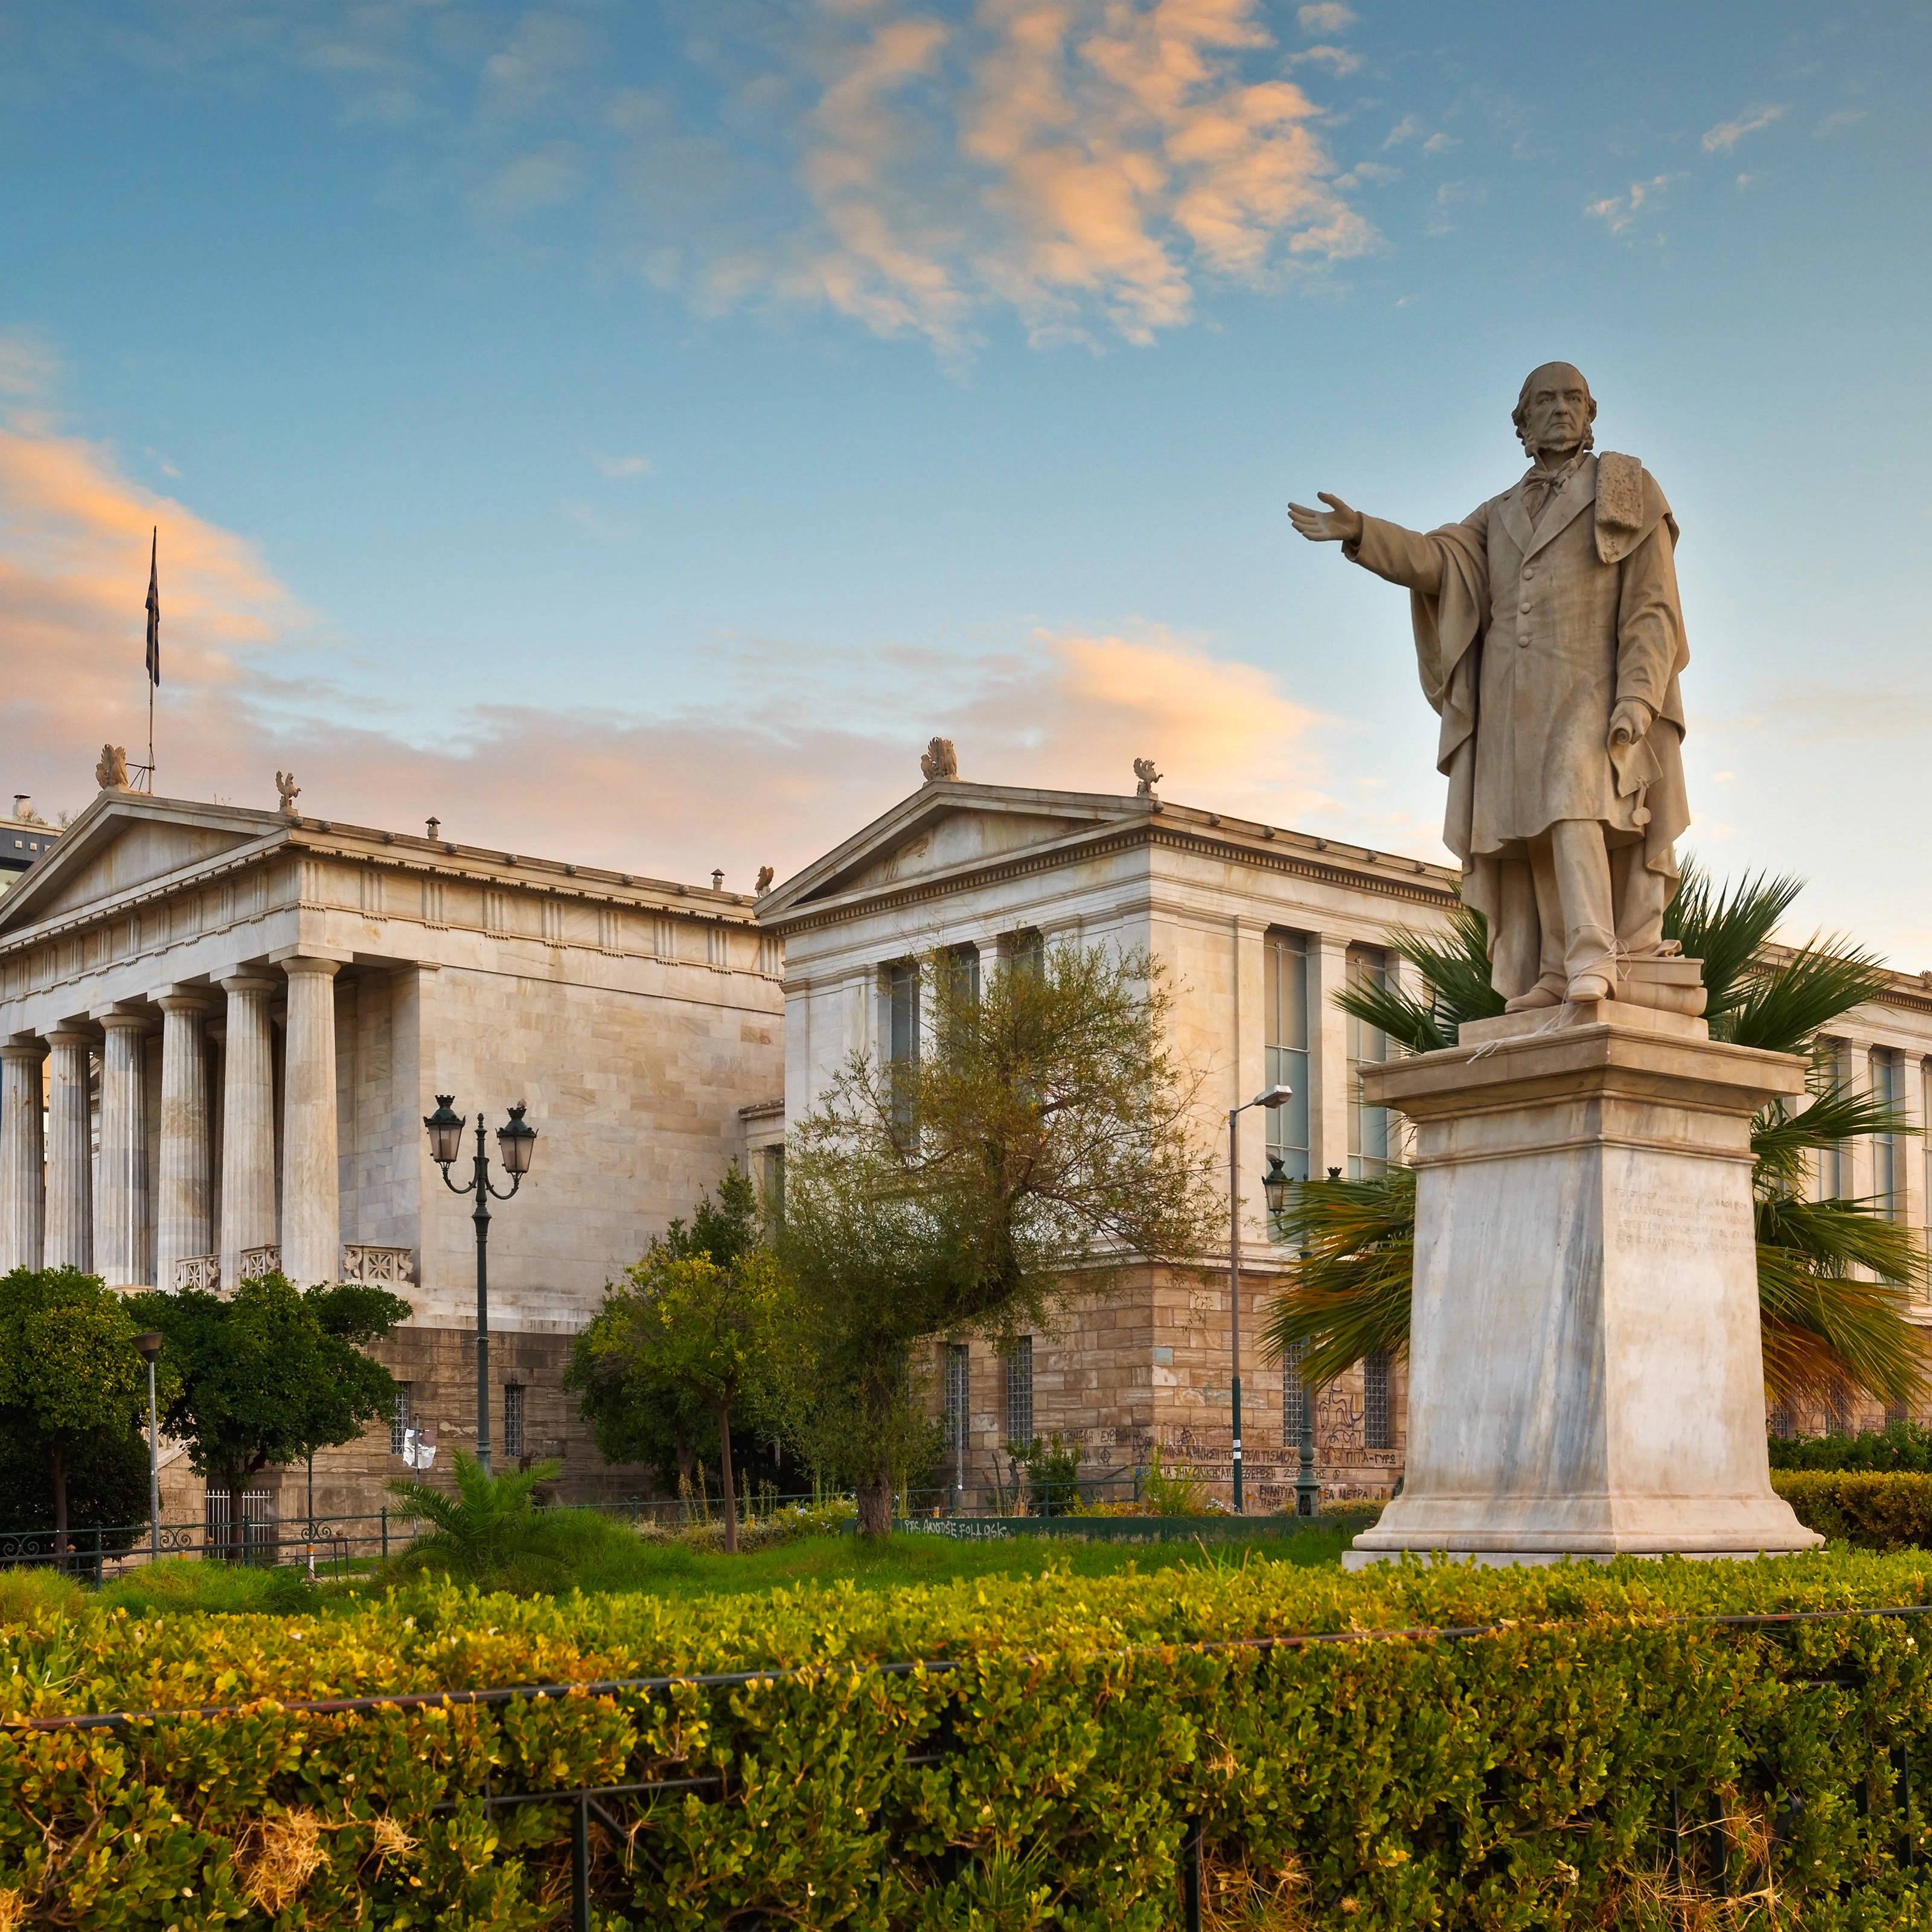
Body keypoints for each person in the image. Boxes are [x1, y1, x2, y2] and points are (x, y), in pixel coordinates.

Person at [1288, 363, 1690, 1009]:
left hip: (1591, 685)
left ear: (1590, 413)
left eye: (1571, 399)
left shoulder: (1625, 488)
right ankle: (1556, 969)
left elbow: (1652, 606)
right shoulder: (1497, 512)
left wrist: (1637, 695)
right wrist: (1362, 531)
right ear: (1519, 423)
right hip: (1511, 700)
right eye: (1542, 401)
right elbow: (1435, 559)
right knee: (1528, 825)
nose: (1558, 410)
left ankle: (1596, 953)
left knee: (1570, 803)